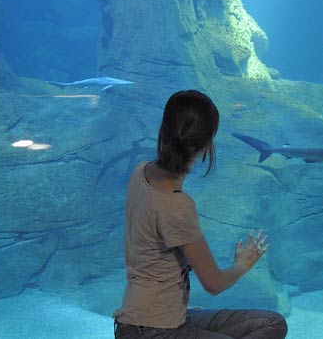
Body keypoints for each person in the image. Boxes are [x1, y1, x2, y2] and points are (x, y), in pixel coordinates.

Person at [114, 89, 288, 339]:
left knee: (272, 324)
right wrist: (243, 263)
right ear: (207, 145)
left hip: (146, 320)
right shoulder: (177, 205)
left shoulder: (141, 172)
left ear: (164, 131)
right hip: (153, 331)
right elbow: (214, 283)